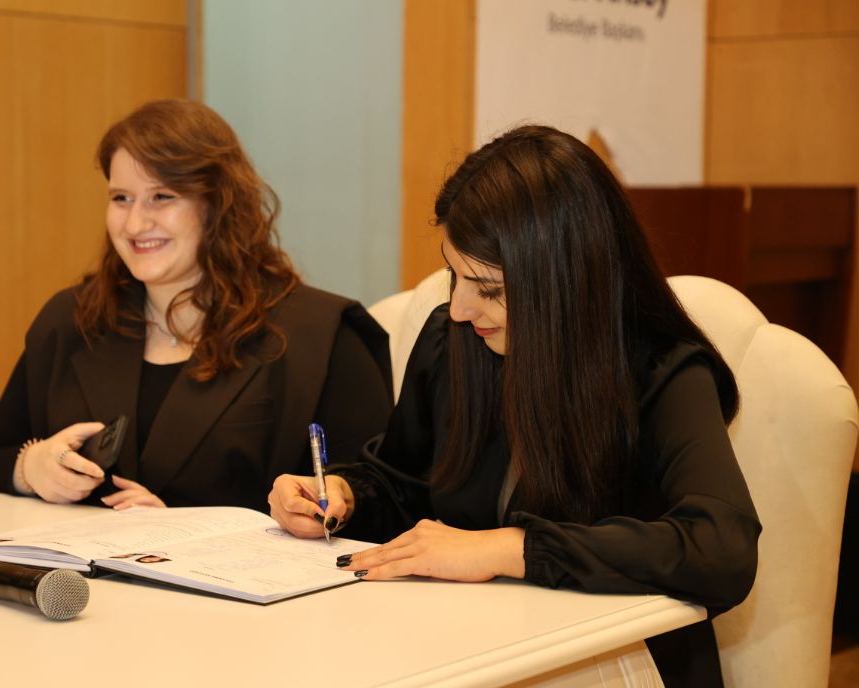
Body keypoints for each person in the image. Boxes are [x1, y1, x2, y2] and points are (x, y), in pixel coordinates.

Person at [268, 125, 761, 686]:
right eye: (455, 276)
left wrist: (512, 549)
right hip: (469, 649)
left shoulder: (662, 372)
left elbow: (721, 549)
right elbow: (404, 483)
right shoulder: (453, 341)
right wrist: (342, 494)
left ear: (566, 282)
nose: (459, 308)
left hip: (611, 661)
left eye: (490, 289)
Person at [0, 99, 392, 512]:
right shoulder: (70, 320)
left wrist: (184, 529)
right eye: (121, 198)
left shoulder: (321, 335)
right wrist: (30, 468)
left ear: (217, 204)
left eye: (162, 197)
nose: (135, 223)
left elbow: (380, 501)